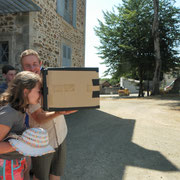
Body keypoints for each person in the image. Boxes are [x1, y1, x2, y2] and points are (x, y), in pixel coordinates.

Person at [20, 49, 76, 180]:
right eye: (27, 65)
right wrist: (58, 112)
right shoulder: (26, 89)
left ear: (40, 63)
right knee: (40, 177)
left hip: (61, 136)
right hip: (42, 143)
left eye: (34, 63)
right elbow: (39, 117)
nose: (32, 68)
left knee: (56, 174)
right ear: (22, 68)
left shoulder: (53, 80)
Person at [0, 71, 42, 180]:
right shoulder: (10, 113)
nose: (41, 95)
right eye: (39, 91)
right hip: (6, 166)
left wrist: (25, 154)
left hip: (15, 162)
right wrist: (24, 143)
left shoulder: (21, 109)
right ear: (26, 91)